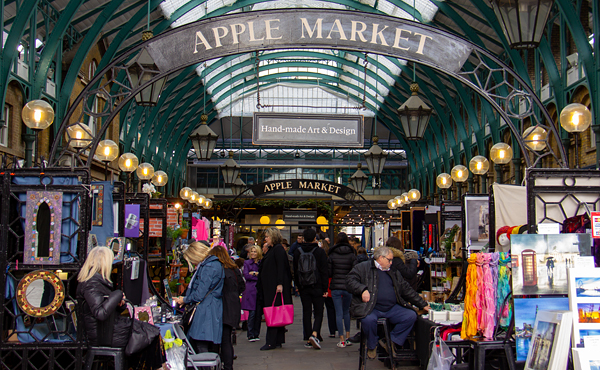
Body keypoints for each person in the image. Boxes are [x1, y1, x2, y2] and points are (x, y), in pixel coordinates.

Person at [77, 246, 164, 370]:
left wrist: (119, 303)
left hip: (106, 330)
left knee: (150, 333)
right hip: (102, 334)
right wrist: (117, 294)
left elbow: (105, 309)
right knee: (150, 334)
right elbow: (100, 313)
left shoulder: (95, 282)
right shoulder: (92, 284)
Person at [346, 246, 430, 360]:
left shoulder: (393, 272)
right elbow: (350, 280)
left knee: (410, 316)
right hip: (371, 307)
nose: (391, 263)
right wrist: (362, 289)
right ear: (380, 258)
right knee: (368, 320)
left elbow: (406, 289)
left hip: (391, 308)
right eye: (389, 260)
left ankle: (390, 341)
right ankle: (372, 345)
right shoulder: (363, 267)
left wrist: (422, 304)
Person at [174, 241, 225, 354]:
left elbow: (200, 293)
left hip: (206, 310)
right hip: (210, 307)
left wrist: (184, 299)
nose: (192, 262)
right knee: (201, 345)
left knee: (200, 345)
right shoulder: (213, 264)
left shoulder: (208, 266)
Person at [208, 246, 245, 370]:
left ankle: (220, 363)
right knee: (226, 338)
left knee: (218, 339)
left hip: (221, 306)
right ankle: (228, 366)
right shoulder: (234, 269)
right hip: (233, 306)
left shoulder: (217, 270)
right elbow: (242, 286)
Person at [256, 227, 293, 350]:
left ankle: (271, 341)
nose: (265, 239)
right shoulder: (274, 249)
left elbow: (281, 267)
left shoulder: (277, 250)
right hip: (271, 286)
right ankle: (277, 340)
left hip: (274, 287)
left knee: (273, 312)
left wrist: (279, 283)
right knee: (276, 312)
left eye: (267, 236)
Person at [293, 228, 328, 350]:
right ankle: (315, 333)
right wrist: (325, 288)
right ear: (315, 238)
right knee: (319, 311)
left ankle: (308, 336)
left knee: (306, 311)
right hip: (317, 285)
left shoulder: (298, 251)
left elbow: (296, 271)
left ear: (303, 238)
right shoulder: (320, 252)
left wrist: (297, 285)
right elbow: (324, 271)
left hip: (304, 286)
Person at [328, 232, 357, 347]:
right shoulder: (351, 254)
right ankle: (348, 336)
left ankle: (341, 339)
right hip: (348, 286)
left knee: (338, 313)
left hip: (335, 286)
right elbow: (355, 270)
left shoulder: (332, 254)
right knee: (346, 312)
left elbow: (329, 272)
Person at [242, 245, 262, 342]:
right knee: (252, 312)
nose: (253, 253)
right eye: (252, 251)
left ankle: (256, 333)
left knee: (258, 313)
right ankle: (250, 334)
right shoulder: (247, 263)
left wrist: (253, 273)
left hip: (259, 289)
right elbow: (246, 275)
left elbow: (262, 276)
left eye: (255, 251)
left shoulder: (261, 263)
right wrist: (256, 274)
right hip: (250, 290)